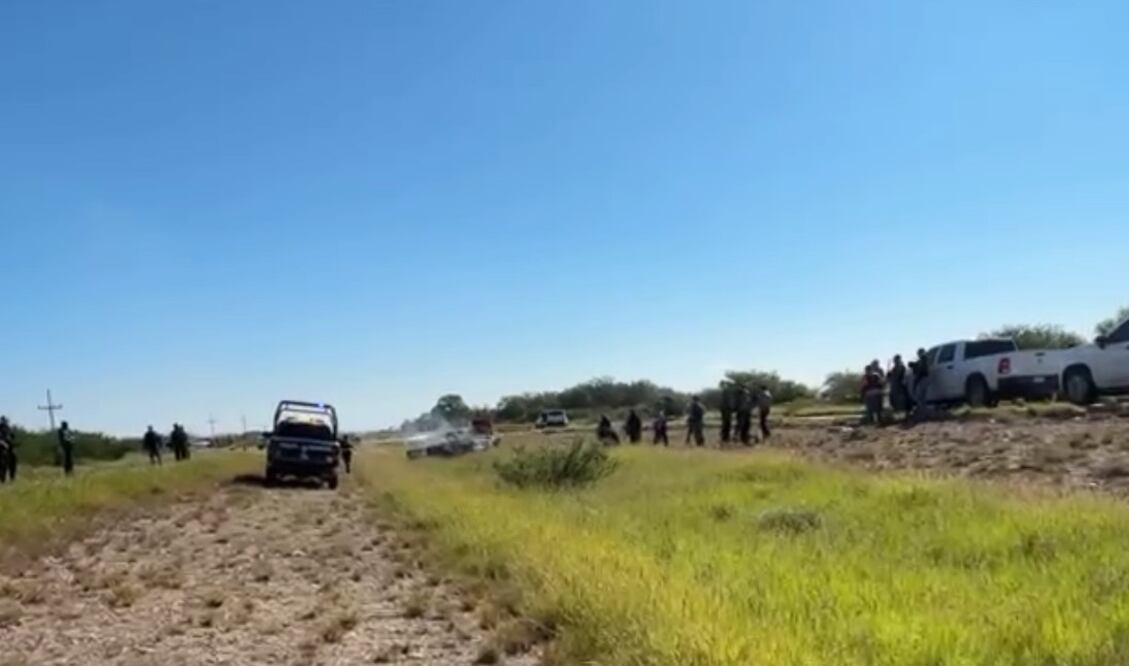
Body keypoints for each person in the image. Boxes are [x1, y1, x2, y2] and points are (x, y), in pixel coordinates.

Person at [909, 348, 931, 421]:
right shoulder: (924, 359)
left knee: (920, 397)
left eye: (919, 353)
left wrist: (915, 382)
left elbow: (921, 370)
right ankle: (924, 413)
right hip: (924, 379)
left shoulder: (924, 359)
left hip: (923, 379)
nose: (918, 355)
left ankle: (922, 414)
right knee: (922, 398)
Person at [0, 416, 14, 482]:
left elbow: (12, 435)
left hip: (7, 443)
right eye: (3, 420)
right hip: (1, 442)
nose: (4, 422)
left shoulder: (8, 427)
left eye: (4, 420)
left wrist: (11, 436)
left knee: (13, 455)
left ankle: (12, 475)